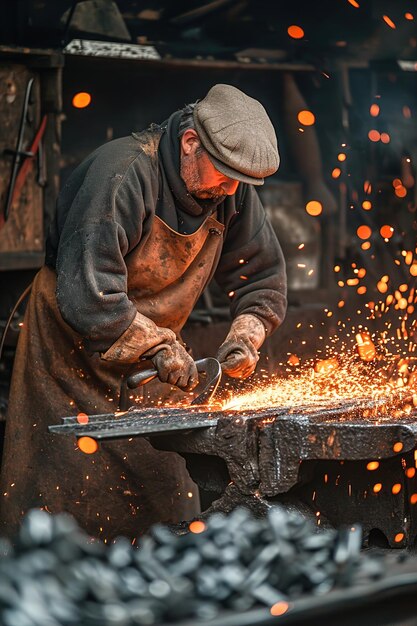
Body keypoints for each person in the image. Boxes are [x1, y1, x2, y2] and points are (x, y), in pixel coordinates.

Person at [0, 84, 287, 540]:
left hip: (154, 360)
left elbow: (262, 276)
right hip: (70, 348)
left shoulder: (230, 190)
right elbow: (89, 296)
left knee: (161, 493)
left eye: (240, 181)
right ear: (190, 142)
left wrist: (246, 335)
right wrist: (156, 344)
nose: (231, 190)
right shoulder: (124, 174)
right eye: (224, 175)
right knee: (63, 497)